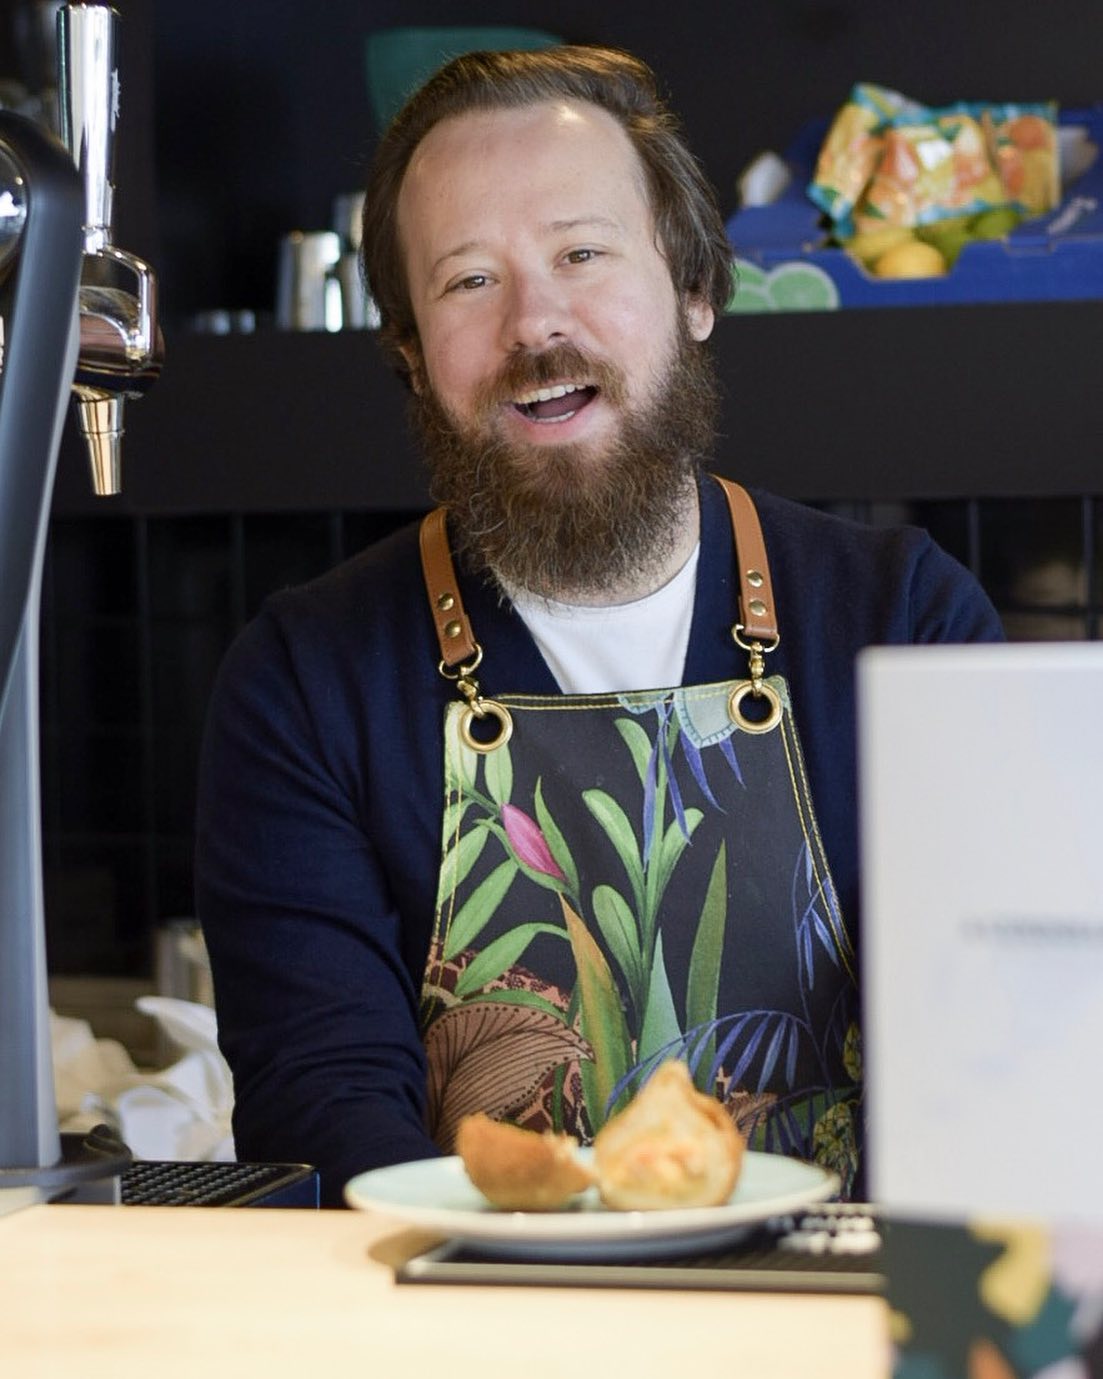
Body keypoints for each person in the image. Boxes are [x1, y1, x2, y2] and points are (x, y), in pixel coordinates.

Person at [196, 45, 1003, 1207]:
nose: (536, 324)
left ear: (693, 288)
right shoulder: (305, 679)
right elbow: (320, 1107)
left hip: (844, 1307)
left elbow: (996, 1050)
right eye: (468, 280)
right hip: (473, 1317)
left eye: (580, 253)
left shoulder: (905, 622)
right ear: (414, 357)